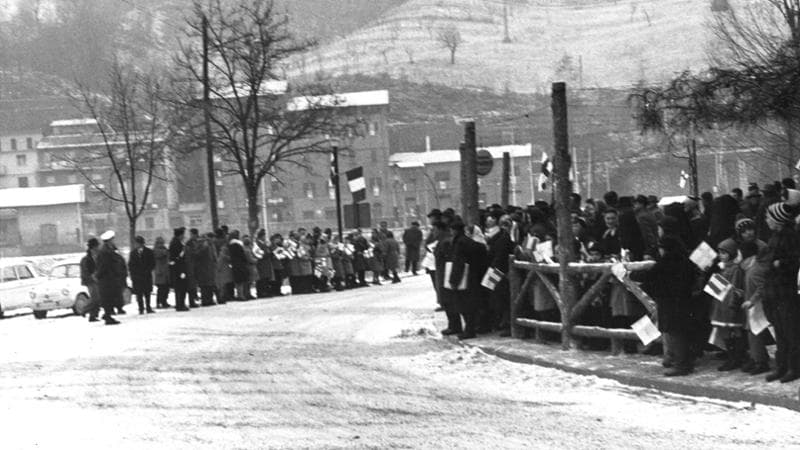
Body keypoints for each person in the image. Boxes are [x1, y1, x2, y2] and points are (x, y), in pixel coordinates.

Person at [632, 235, 697, 376]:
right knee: (681, 332)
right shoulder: (685, 260)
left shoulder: (665, 263)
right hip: (684, 301)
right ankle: (683, 361)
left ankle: (680, 365)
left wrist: (633, 276)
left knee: (674, 332)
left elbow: (649, 278)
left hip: (669, 302)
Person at [762, 200, 800, 383]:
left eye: (769, 216)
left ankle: (794, 368)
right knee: (779, 331)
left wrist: (780, 264)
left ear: (778, 219)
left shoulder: (790, 236)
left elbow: (795, 261)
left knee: (790, 331)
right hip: (774, 290)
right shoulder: (774, 236)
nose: (766, 219)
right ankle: (782, 366)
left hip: (786, 291)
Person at [708, 238, 746, 371]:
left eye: (724, 253)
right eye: (720, 253)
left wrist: (733, 304)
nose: (721, 255)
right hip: (720, 306)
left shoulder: (735, 269)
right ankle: (732, 355)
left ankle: (735, 358)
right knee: (725, 332)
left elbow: (736, 289)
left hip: (728, 307)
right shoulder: (721, 268)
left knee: (732, 332)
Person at [487, 215, 515, 336]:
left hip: (498, 271)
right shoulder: (502, 237)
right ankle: (500, 322)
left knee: (502, 298)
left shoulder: (504, 237)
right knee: (497, 297)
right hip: (497, 271)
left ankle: (505, 323)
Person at [94, 230, 127, 325]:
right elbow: (104, 266)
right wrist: (99, 275)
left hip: (109, 278)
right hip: (107, 279)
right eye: (112, 239)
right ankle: (108, 316)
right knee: (108, 297)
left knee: (110, 297)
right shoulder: (105, 251)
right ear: (109, 240)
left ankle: (108, 314)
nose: (113, 241)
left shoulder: (107, 250)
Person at [128, 235, 155, 315]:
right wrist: (133, 274)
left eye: (137, 243)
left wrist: (147, 270)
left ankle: (148, 307)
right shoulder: (133, 253)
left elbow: (152, 263)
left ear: (141, 243)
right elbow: (131, 265)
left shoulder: (149, 252)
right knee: (139, 293)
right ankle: (141, 308)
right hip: (137, 276)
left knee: (147, 292)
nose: (136, 245)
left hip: (146, 275)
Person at [169, 227, 190, 312]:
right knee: (181, 287)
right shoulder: (176, 244)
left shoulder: (175, 242)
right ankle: (180, 304)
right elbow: (178, 257)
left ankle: (180, 303)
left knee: (181, 287)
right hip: (179, 268)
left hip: (178, 267)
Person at [80, 237, 101, 322]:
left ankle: (93, 315)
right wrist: (92, 276)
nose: (97, 248)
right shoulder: (86, 259)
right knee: (95, 298)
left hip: (98, 279)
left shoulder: (99, 256)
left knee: (98, 298)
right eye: (96, 246)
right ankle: (84, 309)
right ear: (93, 247)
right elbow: (85, 271)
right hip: (90, 281)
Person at [195, 232, 218, 306]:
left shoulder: (211, 245)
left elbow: (213, 256)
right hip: (203, 268)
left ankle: (209, 299)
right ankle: (205, 300)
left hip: (209, 267)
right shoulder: (203, 244)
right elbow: (197, 254)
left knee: (210, 284)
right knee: (205, 285)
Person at [228, 230, 249, 300]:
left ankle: (239, 294)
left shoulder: (230, 245)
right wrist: (245, 260)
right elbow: (242, 255)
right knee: (241, 281)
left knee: (238, 281)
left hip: (234, 264)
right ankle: (241, 295)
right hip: (240, 264)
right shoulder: (237, 245)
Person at [153, 236, 171, 309]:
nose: (162, 244)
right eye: (160, 243)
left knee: (166, 288)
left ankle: (164, 301)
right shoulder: (156, 250)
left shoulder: (164, 249)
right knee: (161, 288)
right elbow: (159, 255)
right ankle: (159, 302)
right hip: (160, 271)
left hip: (165, 271)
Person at [255, 229, 273, 298]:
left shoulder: (263, 243)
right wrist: (266, 253)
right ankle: (261, 292)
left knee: (266, 279)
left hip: (266, 263)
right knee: (262, 279)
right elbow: (258, 253)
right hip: (262, 263)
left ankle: (266, 291)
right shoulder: (258, 243)